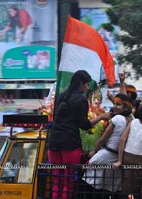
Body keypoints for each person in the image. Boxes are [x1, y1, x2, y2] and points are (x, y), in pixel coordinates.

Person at [48, 70, 112, 199]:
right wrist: (101, 117)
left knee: (57, 181)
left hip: (54, 141)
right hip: (70, 143)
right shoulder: (81, 100)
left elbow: (55, 119)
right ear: (81, 84)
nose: (87, 88)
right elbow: (84, 125)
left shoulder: (60, 97)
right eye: (87, 85)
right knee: (68, 181)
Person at [83, 93, 133, 197]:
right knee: (108, 190)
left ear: (126, 107)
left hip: (104, 156)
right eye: (114, 104)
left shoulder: (117, 119)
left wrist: (94, 151)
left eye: (118, 104)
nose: (114, 106)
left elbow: (102, 140)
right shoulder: (131, 119)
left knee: (91, 187)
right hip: (117, 159)